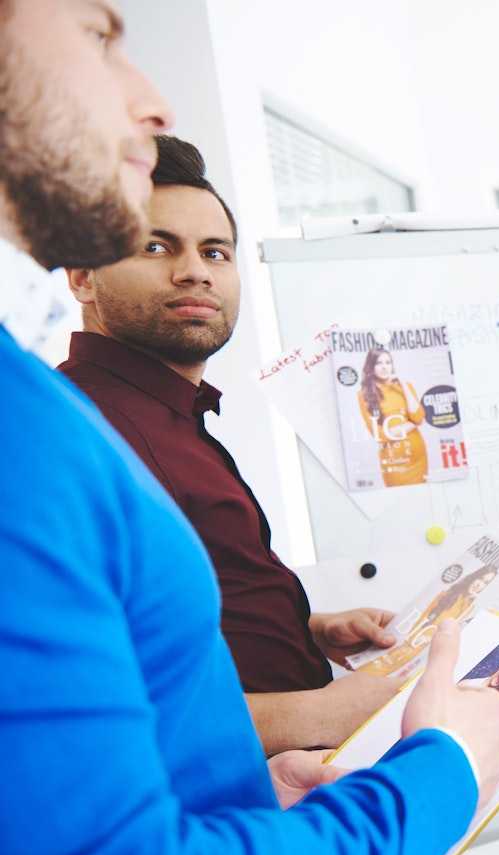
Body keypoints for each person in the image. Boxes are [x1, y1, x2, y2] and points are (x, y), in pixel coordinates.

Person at [0, 2, 499, 855]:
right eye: (98, 35)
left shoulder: (138, 421)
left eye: (217, 253)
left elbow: (136, 683)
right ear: (82, 277)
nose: (151, 102)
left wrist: (285, 671)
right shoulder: (53, 434)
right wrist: (443, 768)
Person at [59, 134, 398, 755]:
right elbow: (80, 700)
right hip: (201, 812)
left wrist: (306, 633)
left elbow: (176, 617)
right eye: (156, 246)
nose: (194, 270)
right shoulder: (76, 432)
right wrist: (319, 716)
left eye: (215, 252)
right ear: (82, 276)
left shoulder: (175, 417)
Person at [358, 566, 498, 677]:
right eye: (481, 579)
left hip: (425, 653)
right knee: (374, 672)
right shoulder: (449, 594)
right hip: (410, 642)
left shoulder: (468, 605)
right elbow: (423, 617)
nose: (480, 585)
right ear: (474, 577)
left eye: (486, 583)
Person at [358, 346, 429, 487]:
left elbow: (419, 416)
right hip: (394, 463)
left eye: (388, 362)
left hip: (418, 458)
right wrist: (412, 424)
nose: (385, 367)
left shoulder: (406, 386)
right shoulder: (364, 395)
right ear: (371, 367)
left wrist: (402, 384)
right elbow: (379, 435)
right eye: (379, 363)